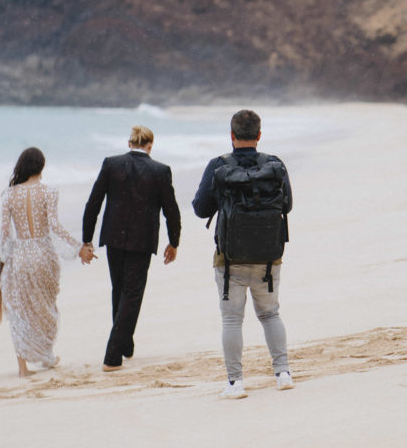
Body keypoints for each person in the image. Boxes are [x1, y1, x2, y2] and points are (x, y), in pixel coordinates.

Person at [192, 109, 294, 399]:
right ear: (259, 135)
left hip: (230, 257)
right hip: (268, 255)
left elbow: (200, 209)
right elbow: (287, 206)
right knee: (270, 314)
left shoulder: (218, 165)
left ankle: (235, 383)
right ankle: (283, 373)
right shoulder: (275, 164)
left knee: (232, 320)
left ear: (232, 135)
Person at [0, 147, 83, 377]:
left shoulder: (9, 194)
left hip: (20, 256)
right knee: (46, 308)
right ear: (41, 167)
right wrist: (78, 246)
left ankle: (22, 368)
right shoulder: (50, 192)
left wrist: (3, 257)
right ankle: (46, 354)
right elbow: (55, 227)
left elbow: (4, 232)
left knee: (20, 311)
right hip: (44, 255)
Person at [82, 126, 181, 371]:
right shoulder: (160, 171)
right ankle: (112, 355)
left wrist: (87, 240)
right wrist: (174, 241)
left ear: (129, 143)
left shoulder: (111, 164)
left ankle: (124, 343)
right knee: (132, 293)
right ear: (150, 146)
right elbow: (171, 210)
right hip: (142, 241)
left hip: (113, 238)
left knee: (120, 289)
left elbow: (93, 202)